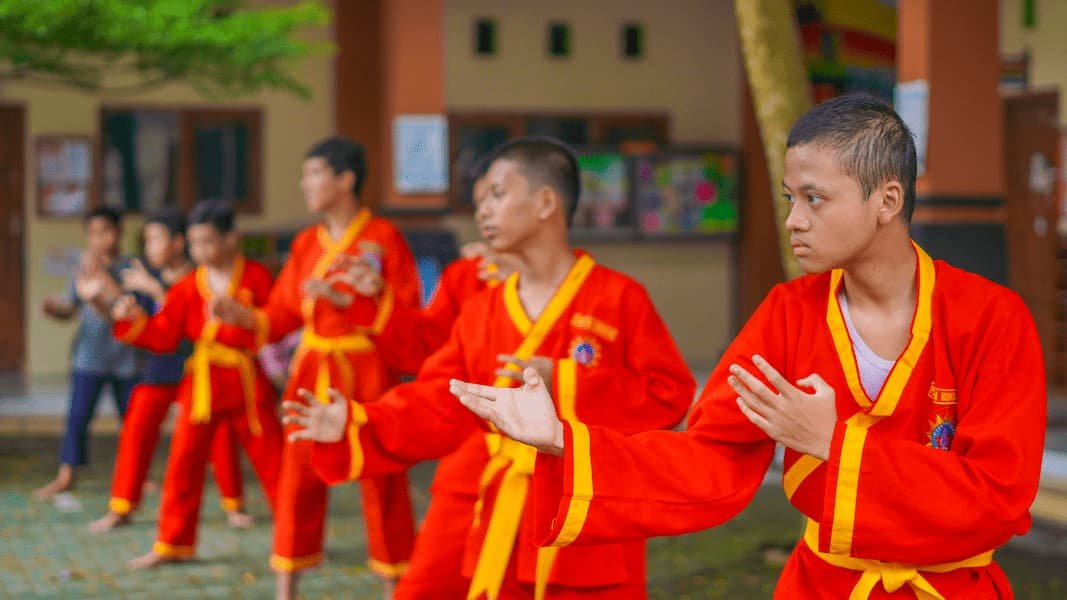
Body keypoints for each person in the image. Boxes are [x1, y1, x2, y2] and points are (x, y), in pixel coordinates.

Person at [449, 95, 1047, 598]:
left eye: (816, 199)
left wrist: (831, 444)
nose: (793, 220)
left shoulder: (991, 318)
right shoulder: (788, 314)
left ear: (887, 201)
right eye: (791, 198)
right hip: (823, 584)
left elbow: (999, 496)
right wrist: (563, 439)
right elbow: (710, 458)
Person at [285, 137, 697, 598]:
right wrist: (359, 420)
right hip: (488, 487)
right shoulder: (483, 308)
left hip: (581, 500)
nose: (482, 211)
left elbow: (668, 395)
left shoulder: (619, 298)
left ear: (545, 203)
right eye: (480, 200)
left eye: (497, 195)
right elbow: (441, 396)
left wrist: (563, 380)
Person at [209, 137, 420, 600]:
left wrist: (367, 298)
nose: (304, 183)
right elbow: (282, 311)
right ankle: (288, 587)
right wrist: (245, 317)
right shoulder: (307, 243)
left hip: (368, 369)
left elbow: (407, 309)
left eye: (313, 173)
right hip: (314, 368)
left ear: (344, 179)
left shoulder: (384, 238)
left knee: (382, 476)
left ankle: (395, 585)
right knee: (298, 477)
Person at [87, 200, 284, 569]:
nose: (201, 251)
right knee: (182, 464)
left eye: (209, 242)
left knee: (275, 462)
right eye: (195, 244)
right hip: (203, 384)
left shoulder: (256, 276)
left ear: (231, 239)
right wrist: (135, 320)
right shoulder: (189, 286)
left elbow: (276, 324)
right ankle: (173, 543)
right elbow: (164, 335)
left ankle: (295, 543)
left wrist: (246, 319)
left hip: (246, 383)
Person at [34, 207, 143, 500]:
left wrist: (102, 274)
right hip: (88, 356)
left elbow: (127, 309)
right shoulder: (81, 271)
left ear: (118, 232)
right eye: (92, 233)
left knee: (132, 422)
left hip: (126, 358)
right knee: (78, 417)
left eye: (104, 231)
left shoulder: (132, 268)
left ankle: (138, 477)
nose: (97, 239)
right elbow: (72, 308)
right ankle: (66, 475)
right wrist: (55, 310)